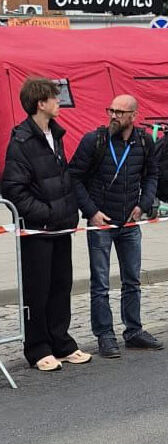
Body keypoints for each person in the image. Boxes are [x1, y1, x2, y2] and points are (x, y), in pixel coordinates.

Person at [2, 77, 91, 370]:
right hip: (38, 229)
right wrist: (48, 213)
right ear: (41, 104)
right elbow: (13, 189)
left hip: (60, 227)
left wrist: (68, 211)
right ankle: (38, 347)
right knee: (37, 290)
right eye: (55, 98)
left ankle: (60, 341)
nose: (59, 102)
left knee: (61, 285)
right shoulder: (21, 141)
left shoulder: (56, 135)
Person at [69, 95, 163, 358]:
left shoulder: (144, 141)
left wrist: (143, 204)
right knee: (100, 282)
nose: (113, 116)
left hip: (129, 222)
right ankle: (105, 335)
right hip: (101, 222)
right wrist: (91, 212)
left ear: (134, 115)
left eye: (120, 112)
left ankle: (133, 330)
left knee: (132, 279)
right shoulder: (94, 141)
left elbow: (152, 174)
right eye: (111, 110)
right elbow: (74, 176)